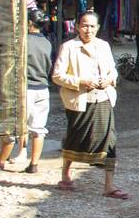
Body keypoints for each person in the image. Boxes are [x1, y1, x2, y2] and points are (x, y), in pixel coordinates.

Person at [52, 10, 128, 199]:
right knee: (74, 137)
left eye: (92, 26)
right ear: (78, 26)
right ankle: (65, 175)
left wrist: (109, 79)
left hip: (103, 99)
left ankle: (109, 185)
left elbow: (113, 71)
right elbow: (57, 75)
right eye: (84, 25)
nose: (88, 30)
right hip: (79, 101)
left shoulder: (103, 46)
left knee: (109, 141)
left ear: (98, 28)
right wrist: (81, 81)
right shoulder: (68, 47)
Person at [0, 10, 54, 173]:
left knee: (13, 128)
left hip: (25, 88)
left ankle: (1, 161)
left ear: (29, 23)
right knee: (38, 129)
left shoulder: (22, 41)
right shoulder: (47, 42)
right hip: (43, 88)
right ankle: (34, 164)